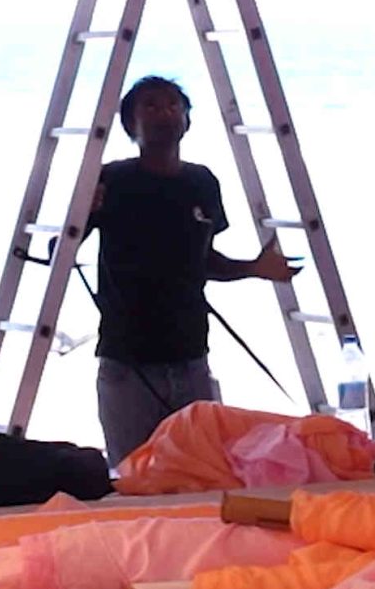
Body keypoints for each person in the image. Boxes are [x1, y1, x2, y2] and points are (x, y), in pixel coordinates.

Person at [86, 75, 299, 465]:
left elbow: (205, 261)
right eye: (150, 105)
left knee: (198, 472)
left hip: (191, 354)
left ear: (187, 119)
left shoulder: (201, 181)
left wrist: (256, 268)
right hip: (128, 360)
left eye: (172, 105)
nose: (164, 112)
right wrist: (85, 210)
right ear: (130, 124)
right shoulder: (111, 179)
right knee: (133, 475)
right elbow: (58, 251)